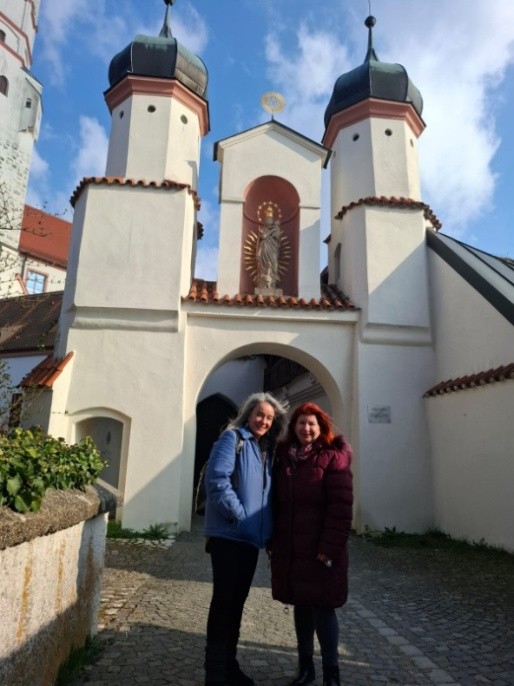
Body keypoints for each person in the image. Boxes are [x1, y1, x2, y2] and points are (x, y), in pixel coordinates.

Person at [204, 392, 288, 686]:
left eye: (269, 417)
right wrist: (240, 516)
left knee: (237, 603)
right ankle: (215, 672)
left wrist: (265, 530)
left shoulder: (267, 449)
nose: (263, 421)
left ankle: (229, 666)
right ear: (248, 414)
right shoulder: (233, 439)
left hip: (250, 541)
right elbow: (216, 481)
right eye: (259, 414)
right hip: (228, 536)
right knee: (224, 601)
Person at [270, 402, 353, 686]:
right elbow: (276, 503)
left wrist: (329, 548)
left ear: (321, 428)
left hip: (320, 550)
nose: (306, 428)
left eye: (312, 424)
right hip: (293, 549)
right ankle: (305, 669)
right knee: (302, 606)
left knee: (323, 608)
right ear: (294, 427)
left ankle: (332, 674)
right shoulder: (285, 458)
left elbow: (341, 508)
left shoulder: (333, 458)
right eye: (301, 423)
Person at [256, 207, 282, 290]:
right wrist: (271, 231)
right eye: (267, 219)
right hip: (264, 248)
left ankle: (273, 278)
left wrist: (274, 230)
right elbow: (263, 236)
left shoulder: (276, 229)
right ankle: (263, 280)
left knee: (274, 263)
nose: (268, 221)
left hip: (273, 249)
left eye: (270, 220)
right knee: (263, 264)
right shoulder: (263, 228)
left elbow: (277, 237)